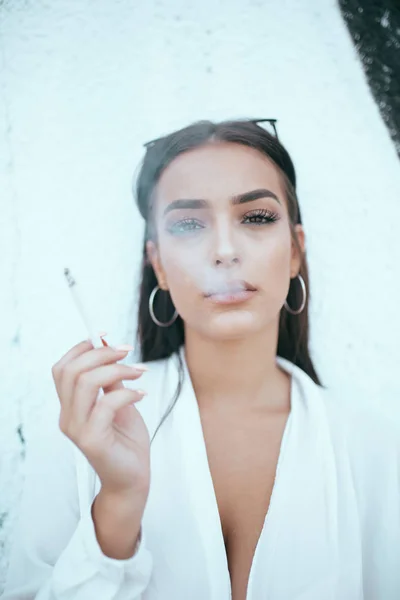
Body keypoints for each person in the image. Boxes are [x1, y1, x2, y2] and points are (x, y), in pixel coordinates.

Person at [2, 119, 399, 600]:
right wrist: (119, 504)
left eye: (255, 217)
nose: (225, 250)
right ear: (160, 263)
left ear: (296, 250)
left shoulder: (372, 449)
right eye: (188, 225)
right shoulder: (88, 431)